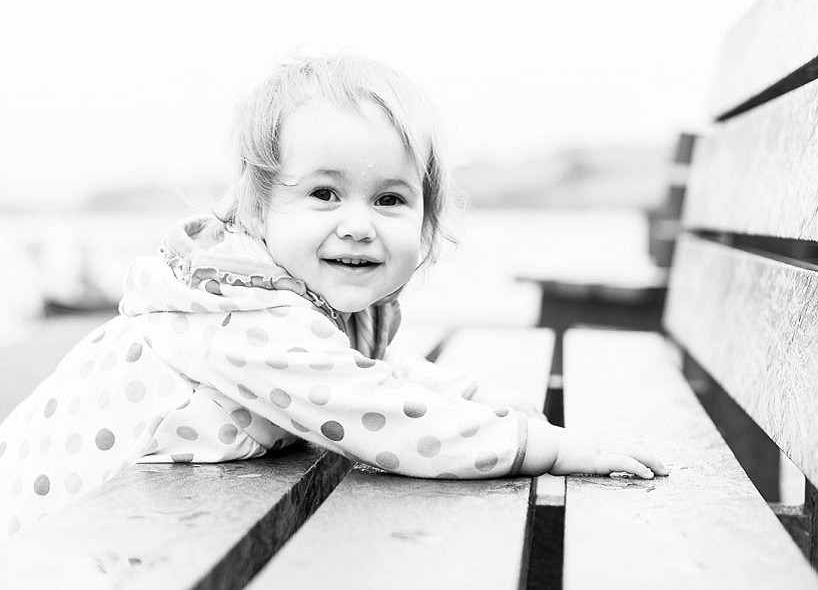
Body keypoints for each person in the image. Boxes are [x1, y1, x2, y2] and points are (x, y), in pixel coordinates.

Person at [0, 54, 667, 539]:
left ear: (426, 220)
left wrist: (488, 404)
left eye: (389, 198)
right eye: (324, 193)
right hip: (49, 541)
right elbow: (380, 415)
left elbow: (373, 377)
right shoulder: (246, 317)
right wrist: (538, 446)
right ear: (257, 212)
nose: (358, 222)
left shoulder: (293, 300)